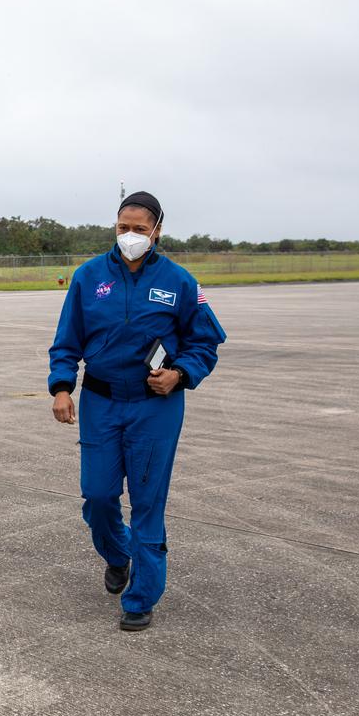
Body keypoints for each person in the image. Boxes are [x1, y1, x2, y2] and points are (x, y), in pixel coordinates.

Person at [48, 191, 226, 631]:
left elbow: (205, 340)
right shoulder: (88, 277)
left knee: (148, 501)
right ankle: (117, 553)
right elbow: (67, 339)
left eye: (140, 229)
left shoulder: (181, 282)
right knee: (100, 495)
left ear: (157, 231)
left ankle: (142, 596)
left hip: (155, 407)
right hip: (102, 401)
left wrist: (181, 373)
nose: (130, 236)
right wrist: (62, 387)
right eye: (123, 228)